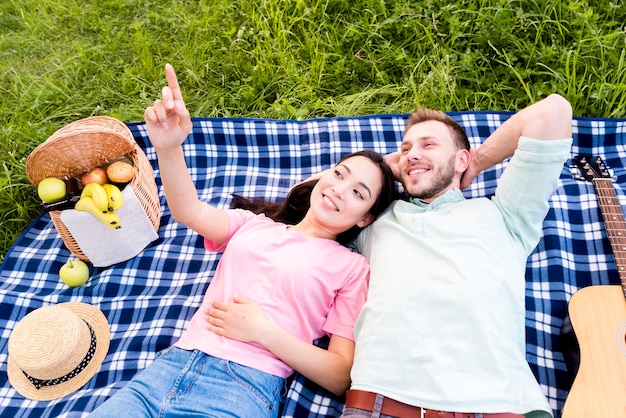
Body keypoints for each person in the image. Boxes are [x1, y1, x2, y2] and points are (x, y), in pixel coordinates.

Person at [89, 64, 396, 418]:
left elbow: (341, 375)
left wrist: (264, 332)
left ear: (365, 218)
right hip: (166, 371)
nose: (339, 189)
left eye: (358, 193)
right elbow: (189, 211)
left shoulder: (352, 268)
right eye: (339, 174)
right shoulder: (254, 225)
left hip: (241, 389)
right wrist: (169, 148)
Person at [341, 95, 573, 418]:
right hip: (384, 402)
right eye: (406, 149)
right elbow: (311, 201)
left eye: (428, 145)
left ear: (460, 159)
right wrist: (380, 168)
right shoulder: (377, 221)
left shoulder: (505, 214)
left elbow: (554, 112)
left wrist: (478, 160)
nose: (412, 155)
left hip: (500, 406)